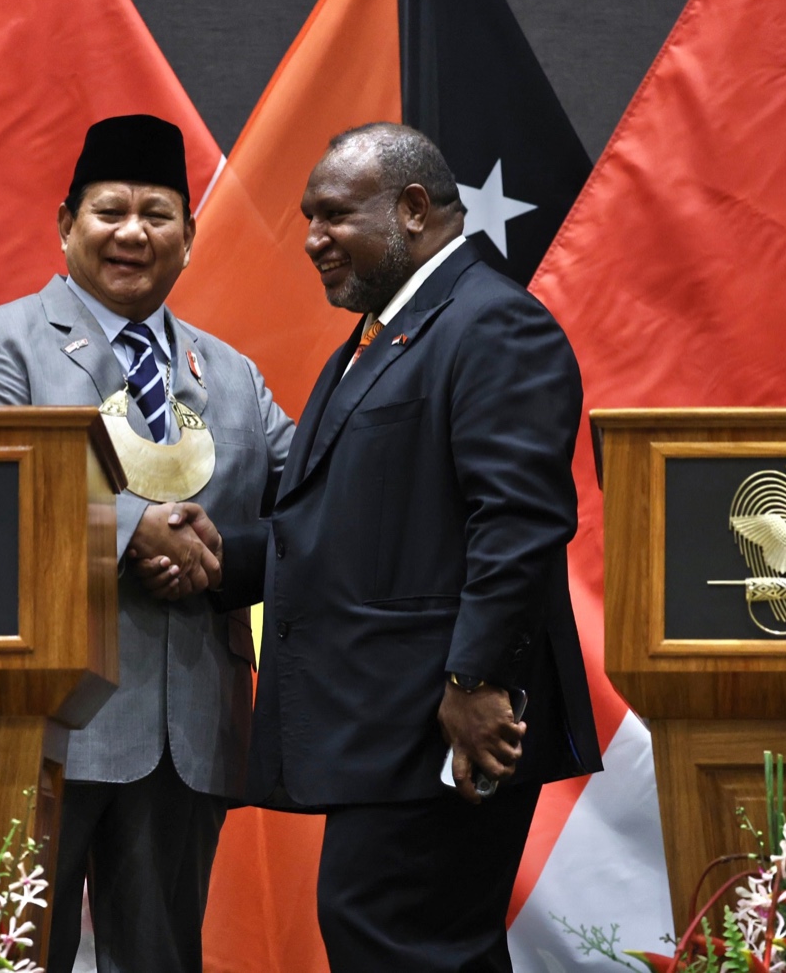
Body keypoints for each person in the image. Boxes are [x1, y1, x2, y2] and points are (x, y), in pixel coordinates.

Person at [176, 122, 603, 970]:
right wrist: (221, 558)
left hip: (447, 719)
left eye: (333, 215)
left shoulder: (492, 327)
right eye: (308, 219)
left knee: (399, 937)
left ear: (412, 209)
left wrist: (478, 682)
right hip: (391, 724)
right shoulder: (380, 339)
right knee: (408, 940)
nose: (312, 240)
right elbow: (348, 532)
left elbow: (517, 521)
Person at [0, 113, 293, 972]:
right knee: (13, 959)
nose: (132, 231)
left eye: (156, 213)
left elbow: (308, 504)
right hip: (46, 720)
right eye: (109, 210)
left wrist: (218, 559)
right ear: (66, 225)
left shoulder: (235, 375)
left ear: (188, 236)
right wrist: (136, 529)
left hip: (190, 731)